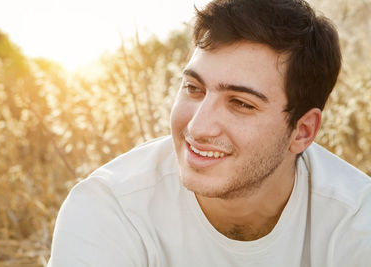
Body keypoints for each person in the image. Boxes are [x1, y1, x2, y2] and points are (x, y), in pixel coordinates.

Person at [48, 0, 371, 266]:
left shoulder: (357, 220)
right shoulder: (108, 209)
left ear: (302, 131)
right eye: (193, 88)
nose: (198, 127)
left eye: (241, 104)